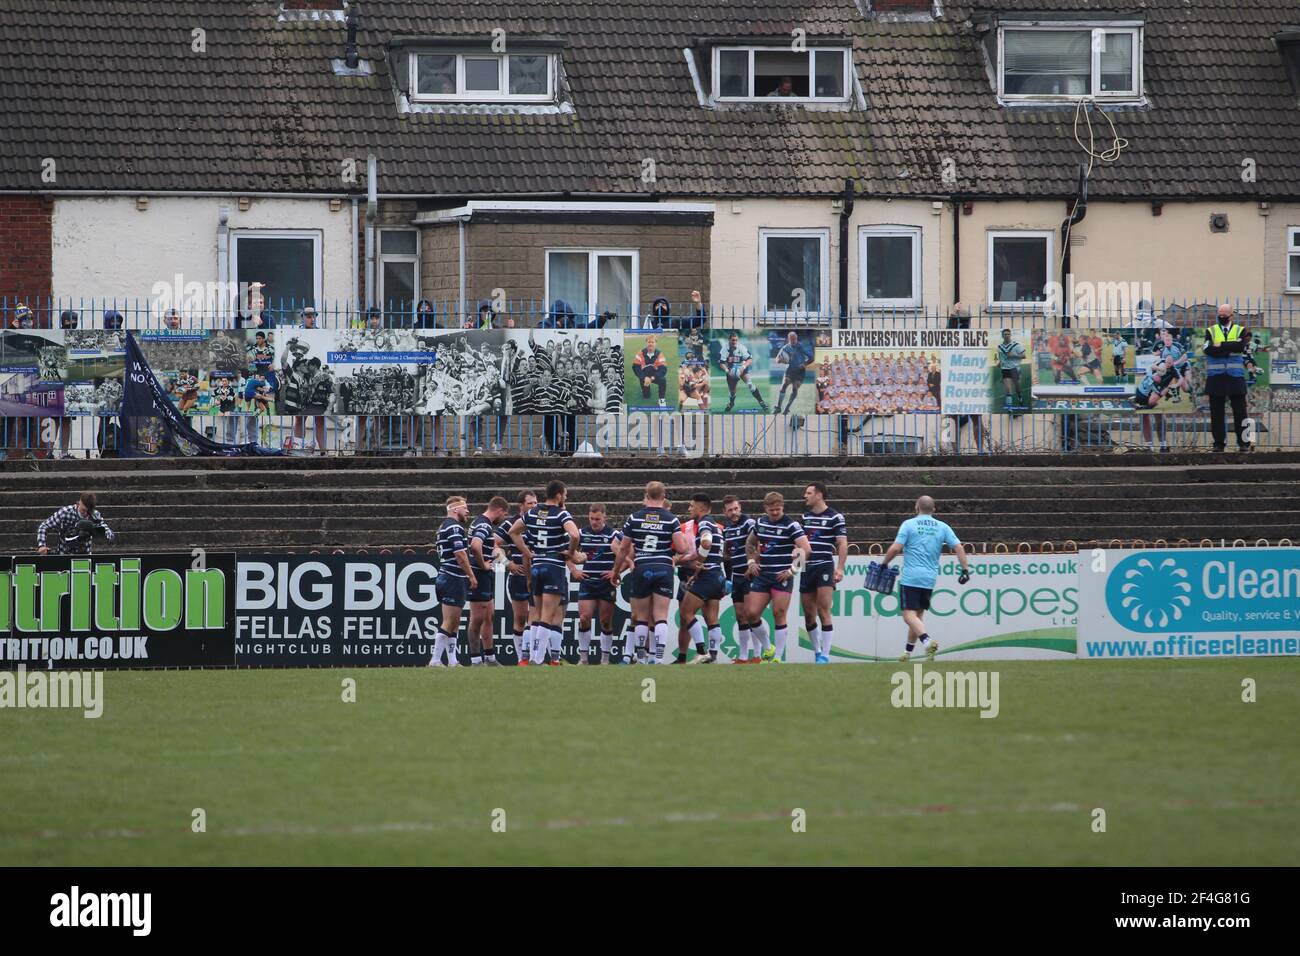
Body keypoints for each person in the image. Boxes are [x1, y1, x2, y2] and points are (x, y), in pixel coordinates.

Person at [880, 495, 970, 662]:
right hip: (929, 578)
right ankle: (908, 652)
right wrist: (965, 570)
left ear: (916, 508)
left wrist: (884, 563)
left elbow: (896, 547)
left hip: (911, 577)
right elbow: (958, 546)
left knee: (908, 615)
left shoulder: (909, 524)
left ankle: (928, 641)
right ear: (933, 510)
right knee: (917, 617)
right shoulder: (942, 527)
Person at [508, 479, 582, 666]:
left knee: (536, 615)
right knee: (548, 616)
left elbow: (513, 531)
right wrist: (572, 553)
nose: (565, 498)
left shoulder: (532, 512)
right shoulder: (561, 514)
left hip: (537, 564)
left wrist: (526, 552)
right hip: (553, 566)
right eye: (565, 495)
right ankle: (537, 658)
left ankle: (533, 655)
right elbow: (575, 535)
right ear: (558, 495)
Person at [615, 481, 689, 664]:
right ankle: (657, 658)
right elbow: (681, 548)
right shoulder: (671, 519)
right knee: (660, 615)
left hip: (642, 567)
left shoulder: (634, 518)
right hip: (663, 568)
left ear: (646, 496)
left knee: (641, 616)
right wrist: (685, 544)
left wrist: (616, 570)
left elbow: (623, 548)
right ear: (663, 498)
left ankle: (640, 658)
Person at [743, 492, 811, 663]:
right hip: (763, 574)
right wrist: (751, 562)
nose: (775, 512)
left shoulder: (791, 525)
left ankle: (778, 657)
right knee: (751, 613)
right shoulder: (760, 523)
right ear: (765, 508)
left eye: (778, 509)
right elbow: (750, 543)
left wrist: (792, 570)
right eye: (772, 509)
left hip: (782, 576)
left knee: (778, 613)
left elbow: (806, 549)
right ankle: (768, 647)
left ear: (783, 507)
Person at [673, 494, 726, 664]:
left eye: (691, 506)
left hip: (708, 575)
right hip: (718, 575)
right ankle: (713, 656)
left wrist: (699, 564)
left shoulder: (704, 523)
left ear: (701, 508)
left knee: (686, 611)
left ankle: (702, 651)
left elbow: (706, 542)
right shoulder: (716, 525)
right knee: (712, 618)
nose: (689, 509)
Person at [800, 482, 847, 665]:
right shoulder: (804, 517)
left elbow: (842, 543)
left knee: (823, 609)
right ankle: (817, 651)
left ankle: (825, 655)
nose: (805, 496)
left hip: (824, 566)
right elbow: (798, 543)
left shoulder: (835, 517)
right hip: (806, 567)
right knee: (808, 613)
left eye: (808, 493)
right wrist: (796, 566)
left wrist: (840, 568)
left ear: (819, 495)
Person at [571, 504, 622, 664]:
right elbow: (566, 553)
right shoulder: (580, 534)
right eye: (592, 519)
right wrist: (574, 570)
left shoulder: (614, 535)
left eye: (598, 519)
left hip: (606, 584)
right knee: (584, 618)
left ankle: (605, 659)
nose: (594, 522)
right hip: (588, 583)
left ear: (605, 517)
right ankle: (583, 658)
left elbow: (626, 555)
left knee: (605, 622)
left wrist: (615, 571)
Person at [431, 496, 477, 668]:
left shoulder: (443, 526)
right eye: (465, 508)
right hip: (452, 577)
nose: (468, 511)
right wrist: (471, 575)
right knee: (450, 622)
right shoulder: (454, 527)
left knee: (454, 622)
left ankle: (452, 660)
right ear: (455, 509)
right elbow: (460, 554)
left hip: (445, 575)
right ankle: (435, 660)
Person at [496, 490, 538, 666]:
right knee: (520, 617)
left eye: (536, 503)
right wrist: (507, 563)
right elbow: (493, 543)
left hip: (538, 574)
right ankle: (521, 657)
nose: (534, 506)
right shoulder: (511, 524)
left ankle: (537, 656)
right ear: (521, 505)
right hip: (519, 575)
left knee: (536, 618)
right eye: (530, 503)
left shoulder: (541, 521)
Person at [1201, 304, 1251, 453]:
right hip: (1216, 378)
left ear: (1231, 315)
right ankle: (1218, 444)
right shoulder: (1210, 331)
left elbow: (1240, 346)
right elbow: (1207, 349)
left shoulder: (1240, 330)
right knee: (1216, 414)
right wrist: (1229, 349)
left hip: (1235, 377)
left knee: (1240, 412)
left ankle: (1244, 444)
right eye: (1220, 315)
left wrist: (1221, 345)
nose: (1222, 317)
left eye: (1225, 315)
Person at [466, 497, 509, 666]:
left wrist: (501, 561)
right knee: (477, 618)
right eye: (504, 515)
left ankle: (490, 657)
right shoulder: (484, 525)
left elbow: (487, 547)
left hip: (485, 575)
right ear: (499, 510)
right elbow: (475, 546)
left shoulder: (482, 523)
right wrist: (483, 564)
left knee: (489, 615)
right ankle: (476, 659)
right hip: (480, 575)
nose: (503, 518)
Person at [721, 496, 763, 662]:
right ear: (725, 512)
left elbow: (757, 545)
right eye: (730, 510)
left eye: (736, 509)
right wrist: (727, 577)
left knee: (751, 614)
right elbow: (727, 556)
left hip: (750, 575)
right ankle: (744, 656)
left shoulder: (749, 524)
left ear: (741, 508)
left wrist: (753, 564)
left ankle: (758, 654)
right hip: (737, 576)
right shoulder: (727, 529)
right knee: (740, 616)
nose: (734, 513)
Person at [37, 492, 116, 555]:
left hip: (85, 556)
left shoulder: (95, 515)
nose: (85, 513)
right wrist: (42, 545)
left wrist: (99, 532)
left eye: (88, 511)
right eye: (83, 510)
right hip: (64, 553)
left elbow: (110, 534)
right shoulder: (65, 512)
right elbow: (44, 526)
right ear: (78, 503)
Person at [717, 332, 768, 412]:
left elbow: (750, 359)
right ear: (729, 340)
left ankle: (762, 403)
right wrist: (727, 370)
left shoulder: (741, 347)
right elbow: (721, 363)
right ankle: (731, 403)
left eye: (736, 340)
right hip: (730, 370)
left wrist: (743, 366)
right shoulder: (724, 349)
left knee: (750, 384)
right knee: (732, 391)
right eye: (733, 340)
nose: (734, 342)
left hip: (741, 367)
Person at [773, 331, 808, 415]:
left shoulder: (801, 346)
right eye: (792, 339)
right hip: (790, 370)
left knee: (795, 389)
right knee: (784, 386)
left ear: (797, 338)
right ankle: (778, 407)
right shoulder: (785, 348)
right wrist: (780, 360)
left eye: (795, 339)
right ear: (789, 339)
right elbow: (777, 359)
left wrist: (804, 364)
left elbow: (811, 357)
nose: (794, 340)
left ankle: (787, 409)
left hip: (800, 371)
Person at [634, 334, 669, 407]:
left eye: (652, 342)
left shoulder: (659, 354)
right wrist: (644, 378)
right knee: (646, 396)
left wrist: (652, 378)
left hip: (654, 375)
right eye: (649, 342)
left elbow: (663, 369)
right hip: (644, 376)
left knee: (663, 380)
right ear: (646, 343)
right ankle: (644, 389)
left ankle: (661, 399)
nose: (650, 344)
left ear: (656, 343)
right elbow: (636, 367)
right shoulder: (640, 353)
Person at [996, 329, 1026, 411]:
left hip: (1014, 369)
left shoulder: (1016, 345)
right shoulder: (999, 347)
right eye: (1005, 334)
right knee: (1008, 390)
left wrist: (1013, 355)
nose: (1007, 335)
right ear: (1002, 335)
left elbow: (1024, 356)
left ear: (1010, 335)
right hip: (1005, 369)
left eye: (1008, 334)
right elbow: (1000, 357)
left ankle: (1020, 397)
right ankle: (1010, 409)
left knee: (1017, 388)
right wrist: (999, 363)